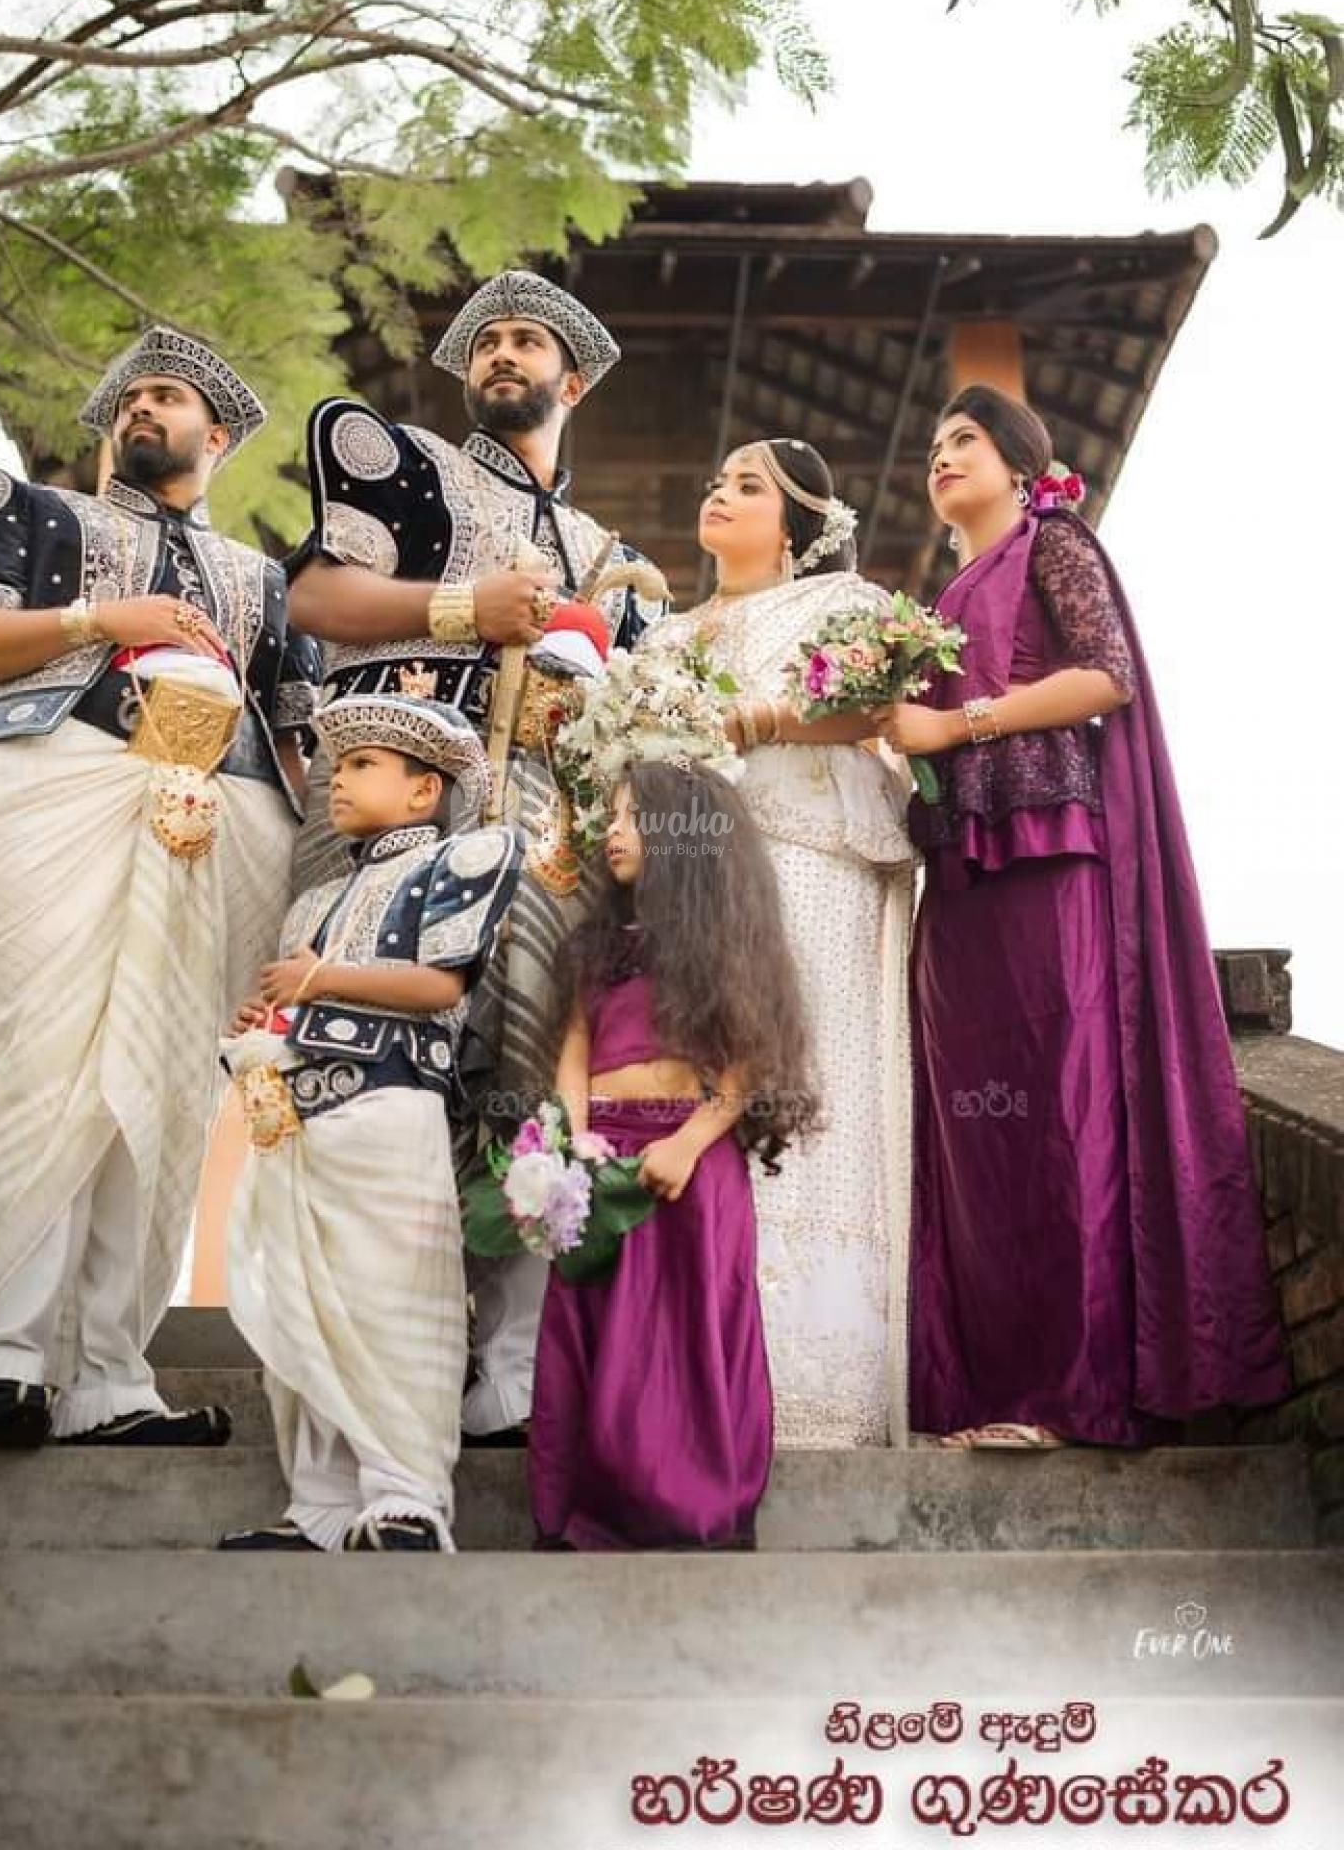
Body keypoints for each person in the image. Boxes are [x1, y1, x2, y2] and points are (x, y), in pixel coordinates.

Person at [0, 327, 317, 1449]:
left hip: (222, 833)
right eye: (130, 396)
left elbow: (298, 752)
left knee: (168, 1090)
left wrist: (317, 909)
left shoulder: (261, 582)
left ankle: (109, 1384)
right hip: (52, 796)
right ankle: (6, 1362)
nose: (142, 406)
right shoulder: (45, 520)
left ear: (216, 437)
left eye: (167, 395)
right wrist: (103, 620)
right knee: (56, 1069)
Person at [287, 269, 665, 1442]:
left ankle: (506, 1370)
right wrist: (463, 610)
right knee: (385, 1052)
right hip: (407, 792)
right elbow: (315, 598)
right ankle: (372, 1348)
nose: (502, 352)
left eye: (527, 341)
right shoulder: (408, 471)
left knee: (529, 1067)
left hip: (553, 829)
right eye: (486, 340)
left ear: (573, 382)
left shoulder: (615, 557)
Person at [877, 384, 1288, 1448]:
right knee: (974, 1139)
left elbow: (1107, 676)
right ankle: (986, 1393)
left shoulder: (1055, 545)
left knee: (1062, 1112)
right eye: (935, 445)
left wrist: (954, 726)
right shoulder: (942, 595)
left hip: (1049, 857)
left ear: (1021, 466)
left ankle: (1071, 1394)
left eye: (965, 440)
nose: (942, 456)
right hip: (959, 883)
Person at [640, 440, 916, 1448]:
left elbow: (875, 711)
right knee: (695, 1089)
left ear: (799, 526)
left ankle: (812, 1382)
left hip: (808, 861)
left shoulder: (842, 604)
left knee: (803, 1089)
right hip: (689, 885)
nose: (720, 494)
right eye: (717, 481)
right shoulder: (663, 637)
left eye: (747, 486)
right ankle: (695, 1372)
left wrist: (755, 721)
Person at [218, 697, 521, 1553]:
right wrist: (261, 1021)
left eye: (360, 766)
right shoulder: (314, 900)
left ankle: (406, 1500)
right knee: (306, 1315)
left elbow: (440, 987)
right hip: (302, 1121)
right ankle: (318, 1510)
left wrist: (317, 981)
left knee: (395, 1307)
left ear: (424, 790)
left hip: (392, 1105)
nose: (336, 783)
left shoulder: (463, 857)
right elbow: (298, 1000)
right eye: (336, 766)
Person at [530, 762, 817, 1550]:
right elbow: (574, 1052)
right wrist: (571, 1147)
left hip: (687, 1158)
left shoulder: (725, 945)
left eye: (634, 817)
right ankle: (585, 1512)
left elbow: (752, 1056)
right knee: (594, 1329)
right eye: (611, 817)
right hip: (601, 1158)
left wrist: (688, 1143)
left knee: (676, 1337)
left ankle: (682, 1509)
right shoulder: (595, 947)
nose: (613, 832)